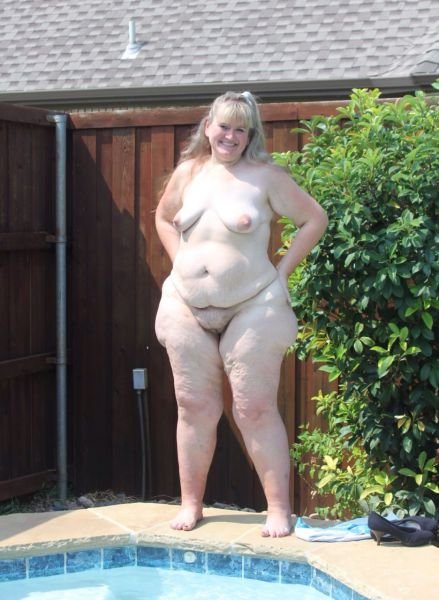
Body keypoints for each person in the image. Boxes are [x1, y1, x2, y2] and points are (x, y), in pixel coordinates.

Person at [155, 91, 328, 538]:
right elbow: (163, 217)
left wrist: (283, 273)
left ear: (250, 135)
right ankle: (191, 504)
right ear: (207, 127)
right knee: (193, 405)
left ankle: (278, 508)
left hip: (253, 304)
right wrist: (177, 261)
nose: (230, 136)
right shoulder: (188, 173)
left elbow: (314, 219)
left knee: (253, 408)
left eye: (240, 129)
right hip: (185, 303)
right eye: (223, 126)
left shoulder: (266, 177)